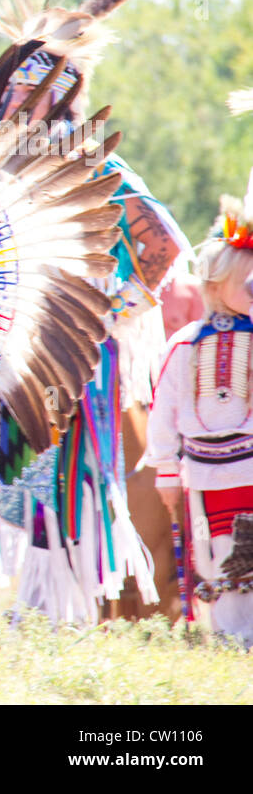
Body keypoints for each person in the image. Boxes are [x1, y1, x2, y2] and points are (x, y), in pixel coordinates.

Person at [0, 0, 185, 621]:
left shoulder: (89, 166)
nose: (17, 110)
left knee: (62, 485)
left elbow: (162, 243)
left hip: (67, 357)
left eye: (32, 99)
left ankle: (58, 615)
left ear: (60, 102)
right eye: (10, 96)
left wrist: (106, 308)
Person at [145, 190, 253, 644]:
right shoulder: (185, 344)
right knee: (217, 553)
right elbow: (163, 410)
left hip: (249, 466)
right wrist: (166, 470)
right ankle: (228, 634)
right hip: (204, 477)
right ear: (214, 287)